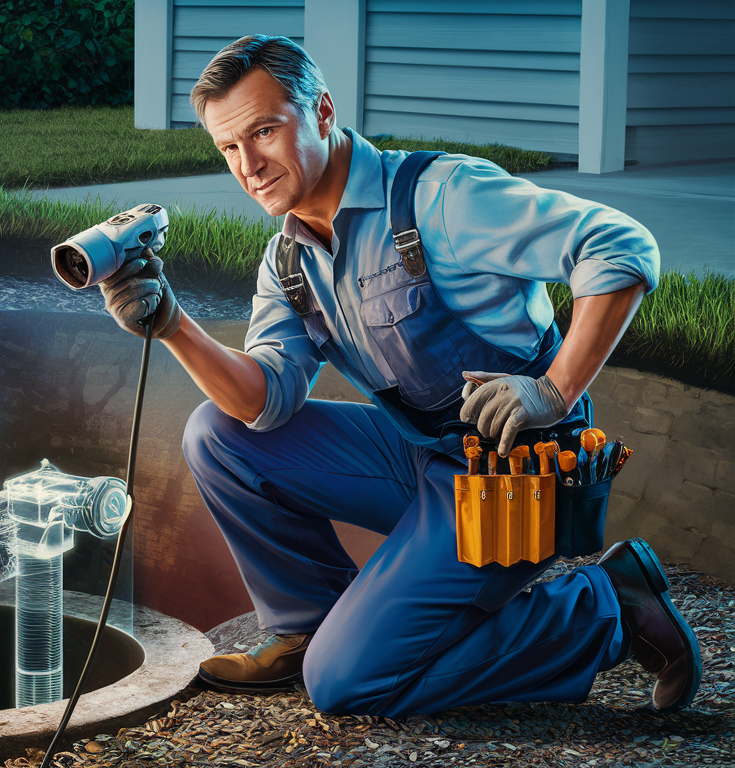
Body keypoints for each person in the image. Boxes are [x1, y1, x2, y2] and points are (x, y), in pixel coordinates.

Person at [98, 35, 700, 717]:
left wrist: (555, 388)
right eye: (229, 148)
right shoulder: (289, 261)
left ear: (322, 110)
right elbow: (262, 403)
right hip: (425, 457)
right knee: (216, 433)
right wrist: (174, 323)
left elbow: (621, 243)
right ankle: (307, 625)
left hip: (516, 481)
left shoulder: (442, 199)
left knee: (349, 684)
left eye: (265, 131)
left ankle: (607, 604)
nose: (249, 165)